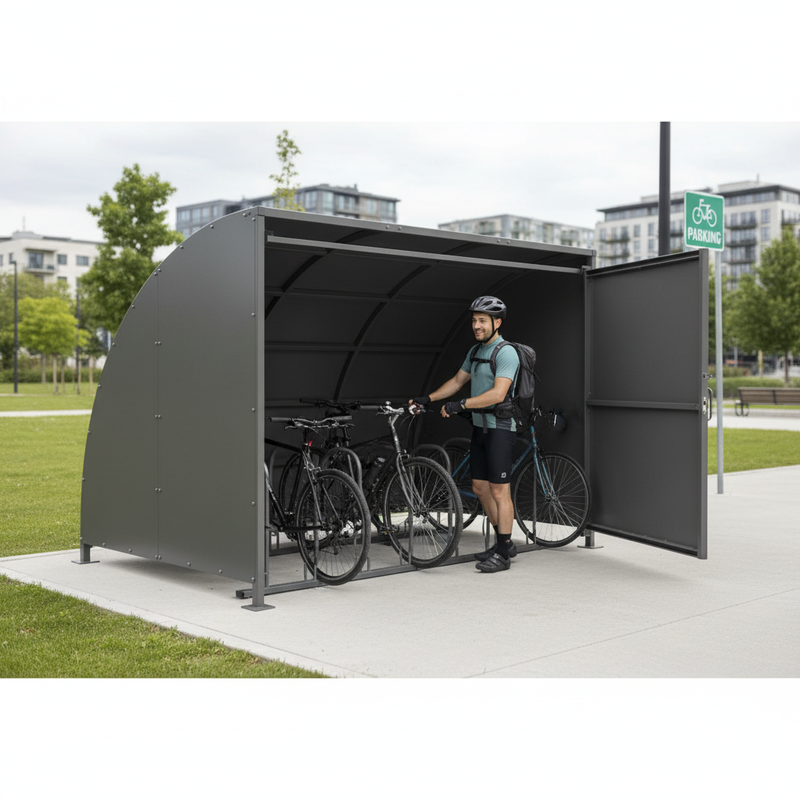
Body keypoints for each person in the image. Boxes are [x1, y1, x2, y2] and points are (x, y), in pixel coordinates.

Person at [410, 296, 520, 573]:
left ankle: (504, 553)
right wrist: (429, 398)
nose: (476, 325)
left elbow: (498, 394)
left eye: (482, 320)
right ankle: (503, 543)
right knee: (480, 488)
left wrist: (462, 405)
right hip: (480, 428)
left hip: (501, 429)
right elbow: (458, 381)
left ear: (497, 323)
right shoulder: (475, 352)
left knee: (499, 490)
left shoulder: (506, 352)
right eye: (474, 320)